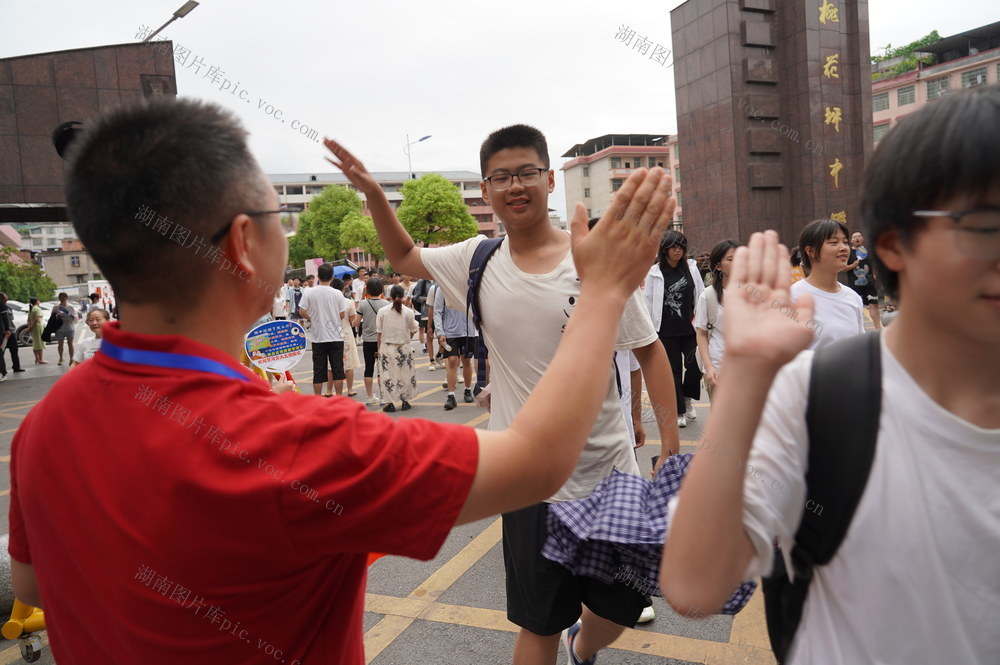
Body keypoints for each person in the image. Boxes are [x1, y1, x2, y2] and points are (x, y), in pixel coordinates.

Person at [8, 98, 671, 665]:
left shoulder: (42, 426)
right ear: (243, 243)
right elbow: (537, 461)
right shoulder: (304, 442)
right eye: (276, 214)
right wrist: (605, 291)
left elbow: (32, 586)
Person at [662, 85, 1000, 665]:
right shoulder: (819, 398)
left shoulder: (848, 300)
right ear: (895, 245)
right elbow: (695, 586)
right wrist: (743, 375)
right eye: (985, 224)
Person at [325, 124, 680, 665]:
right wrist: (375, 195)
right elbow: (403, 257)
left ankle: (583, 645)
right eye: (501, 177)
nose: (516, 186)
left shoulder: (589, 260)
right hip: (526, 479)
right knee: (538, 624)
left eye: (527, 173)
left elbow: (650, 352)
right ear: (487, 190)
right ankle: (565, 639)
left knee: (622, 608)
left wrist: (670, 444)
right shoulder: (476, 260)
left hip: (610, 471)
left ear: (549, 179)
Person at [643, 230, 705, 428]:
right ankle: (679, 410)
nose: (678, 251)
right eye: (674, 247)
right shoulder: (655, 273)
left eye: (681, 247)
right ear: (665, 250)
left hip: (691, 329)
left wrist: (702, 322)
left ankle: (688, 397)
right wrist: (651, 330)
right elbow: (648, 301)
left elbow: (701, 295)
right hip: (665, 331)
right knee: (673, 370)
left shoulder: (692, 269)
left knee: (696, 365)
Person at [790, 219, 864, 349]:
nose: (843, 248)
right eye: (834, 242)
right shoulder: (793, 297)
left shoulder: (853, 298)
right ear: (811, 251)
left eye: (845, 242)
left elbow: (859, 349)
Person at [694, 240, 740, 401]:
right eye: (731, 259)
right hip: (719, 368)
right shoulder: (708, 296)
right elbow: (701, 334)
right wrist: (709, 367)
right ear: (719, 266)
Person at [297, 263, 347, 396]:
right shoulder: (337, 293)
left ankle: (317, 400)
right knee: (338, 370)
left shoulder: (309, 292)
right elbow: (342, 314)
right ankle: (339, 399)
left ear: (318, 276)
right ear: (332, 277)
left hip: (318, 337)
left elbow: (301, 311)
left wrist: (313, 319)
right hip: (336, 336)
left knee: (318, 371)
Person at [375, 285, 418, 412]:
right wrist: (407, 337)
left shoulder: (382, 311)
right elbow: (414, 328)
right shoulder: (408, 312)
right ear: (403, 296)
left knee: (388, 375)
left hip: (387, 347)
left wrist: (378, 349)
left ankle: (390, 403)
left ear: (390, 296)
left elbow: (379, 332)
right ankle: (405, 401)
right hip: (404, 347)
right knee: (404, 373)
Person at [432, 285, 475, 409]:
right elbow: (437, 312)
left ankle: (467, 390)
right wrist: (440, 332)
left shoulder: (468, 286)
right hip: (450, 332)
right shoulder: (443, 288)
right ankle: (451, 396)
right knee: (452, 361)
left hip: (468, 330)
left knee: (466, 361)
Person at [357, 277, 388, 405]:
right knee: (382, 369)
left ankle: (369, 397)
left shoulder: (362, 304)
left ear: (367, 289)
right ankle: (383, 396)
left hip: (368, 341)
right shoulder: (386, 304)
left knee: (368, 368)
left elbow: (356, 323)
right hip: (382, 340)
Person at [844, 231, 883, 330]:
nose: (857, 238)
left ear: (862, 239)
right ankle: (858, 330)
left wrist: (874, 274)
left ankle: (878, 328)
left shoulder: (868, 250)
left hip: (869, 283)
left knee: (873, 304)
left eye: (859, 236)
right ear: (851, 240)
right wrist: (853, 266)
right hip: (854, 284)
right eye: (855, 237)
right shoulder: (847, 252)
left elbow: (875, 263)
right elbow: (842, 268)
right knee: (856, 308)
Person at [331, 278, 360, 397]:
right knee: (349, 363)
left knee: (332, 363)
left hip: (331, 333)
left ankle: (330, 390)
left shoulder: (329, 302)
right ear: (343, 288)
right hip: (346, 332)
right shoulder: (348, 302)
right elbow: (353, 320)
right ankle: (350, 389)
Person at [0, 292, 24, 378]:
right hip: (4, 332)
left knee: (14, 350)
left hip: (11, 331)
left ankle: (16, 367)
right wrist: (6, 330)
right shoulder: (2, 307)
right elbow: (5, 319)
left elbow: (10, 319)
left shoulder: (8, 307)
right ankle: (2, 370)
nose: (6, 299)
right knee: (1, 351)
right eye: (5, 298)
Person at [53, 292, 78, 366]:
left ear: (66, 298)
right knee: (60, 344)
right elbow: (52, 317)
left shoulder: (70, 307)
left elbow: (75, 317)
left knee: (70, 343)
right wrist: (57, 316)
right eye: (61, 297)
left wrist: (71, 316)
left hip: (70, 328)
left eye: (64, 297)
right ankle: (61, 358)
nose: (62, 298)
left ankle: (71, 359)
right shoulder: (56, 307)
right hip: (60, 329)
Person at [26, 297, 47, 364]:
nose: (39, 302)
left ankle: (36, 359)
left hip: (33, 328)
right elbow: (37, 319)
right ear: (36, 301)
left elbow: (28, 320)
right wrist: (32, 327)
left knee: (35, 343)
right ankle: (40, 359)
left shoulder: (31, 309)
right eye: (38, 300)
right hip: (37, 327)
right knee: (39, 343)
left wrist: (29, 327)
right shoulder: (37, 309)